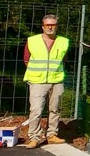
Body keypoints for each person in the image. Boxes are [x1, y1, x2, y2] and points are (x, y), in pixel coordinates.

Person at [22, 14, 70, 148]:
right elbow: (26, 60)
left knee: (55, 109)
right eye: (47, 25)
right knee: (36, 110)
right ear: (43, 27)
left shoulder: (64, 41)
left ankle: (52, 135)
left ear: (57, 26)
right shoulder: (32, 40)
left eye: (53, 25)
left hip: (57, 80)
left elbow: (64, 59)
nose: (50, 27)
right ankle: (34, 137)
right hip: (37, 81)